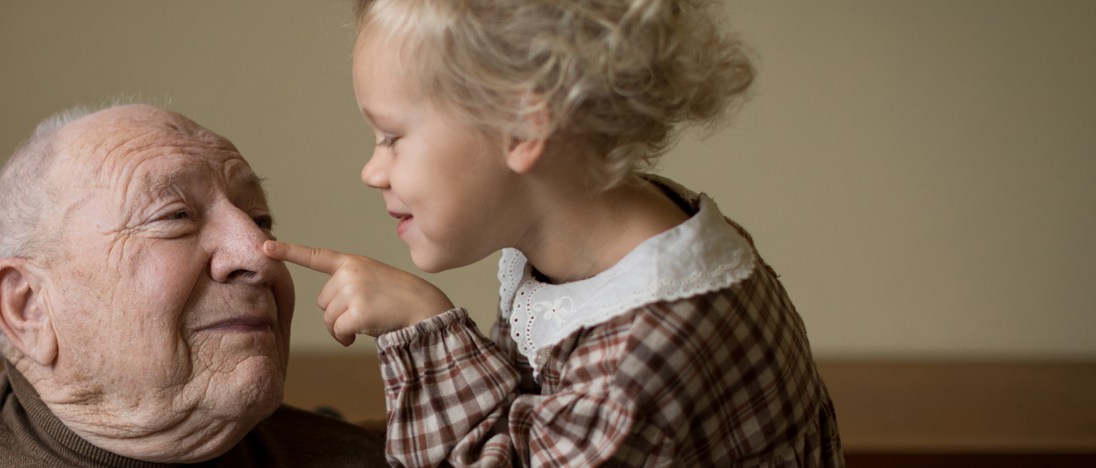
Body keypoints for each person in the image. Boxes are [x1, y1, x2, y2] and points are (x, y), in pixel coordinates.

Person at [262, 0, 843, 466]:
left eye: (391, 137)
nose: (372, 171)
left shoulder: (649, 344)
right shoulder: (606, 246)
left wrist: (425, 328)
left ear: (523, 127)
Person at [0, 103, 387, 467]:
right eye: (174, 216)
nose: (258, 254)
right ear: (28, 307)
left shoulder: (356, 460)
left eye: (261, 220)